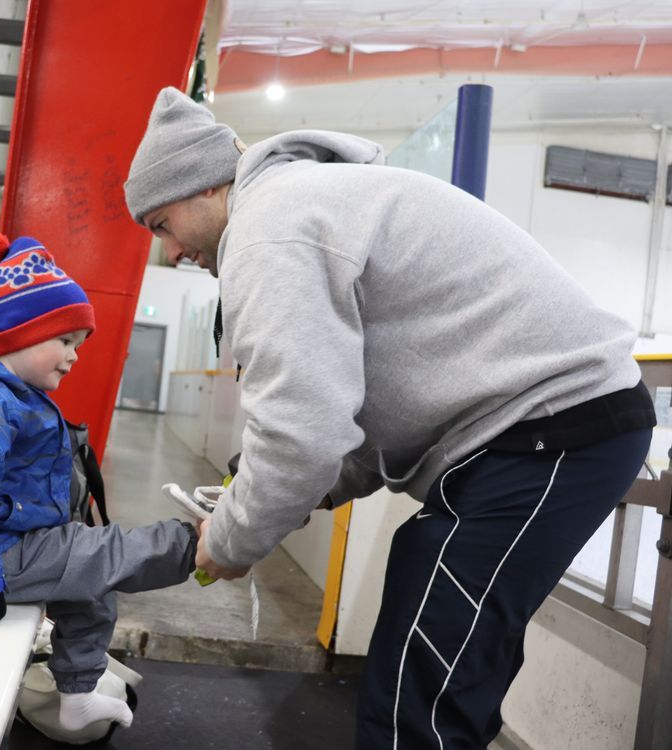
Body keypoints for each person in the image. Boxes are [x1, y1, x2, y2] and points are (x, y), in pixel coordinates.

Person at [123, 87, 656, 749]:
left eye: (159, 224)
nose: (170, 252)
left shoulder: (268, 231)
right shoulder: (303, 205)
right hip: (540, 430)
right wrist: (296, 491)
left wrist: (229, 540)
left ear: (201, 188)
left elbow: (300, 434)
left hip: (553, 428)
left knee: (422, 684)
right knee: (439, 643)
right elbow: (356, 418)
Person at [0, 230, 197, 733]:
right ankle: (190, 548)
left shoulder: (7, 393)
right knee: (102, 555)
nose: (75, 356)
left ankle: (77, 692)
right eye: (65, 340)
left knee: (93, 579)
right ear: (22, 333)